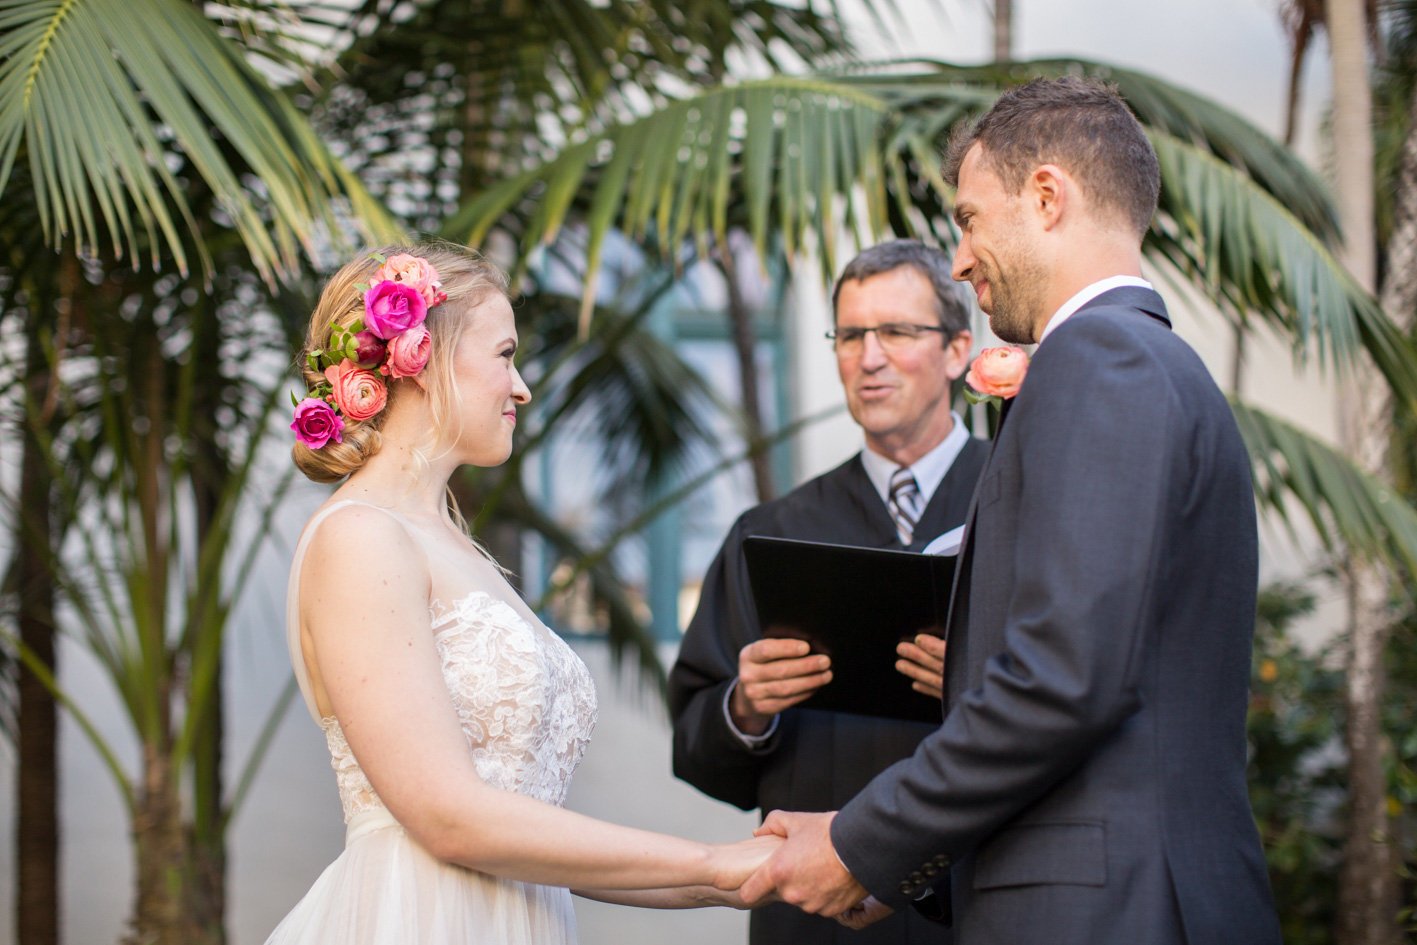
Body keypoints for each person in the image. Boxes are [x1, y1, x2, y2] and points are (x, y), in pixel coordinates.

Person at [739, 77, 1283, 945]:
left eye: (967, 218)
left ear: (1045, 196)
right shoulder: (1154, 363)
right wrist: (911, 875)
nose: (957, 257)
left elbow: (1058, 679)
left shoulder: (1100, 357)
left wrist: (856, 844)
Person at [267, 241, 779, 945]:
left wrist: (749, 875)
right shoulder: (360, 536)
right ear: (428, 357)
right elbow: (450, 817)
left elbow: (526, 834)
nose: (522, 387)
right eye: (505, 355)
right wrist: (715, 862)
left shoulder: (453, 545)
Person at [668, 240, 988, 945]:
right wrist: (745, 706)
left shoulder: (1019, 503)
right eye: (849, 334)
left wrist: (974, 679)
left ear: (958, 348)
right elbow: (693, 745)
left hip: (979, 906)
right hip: (812, 917)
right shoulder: (773, 532)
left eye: (896, 331)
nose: (868, 357)